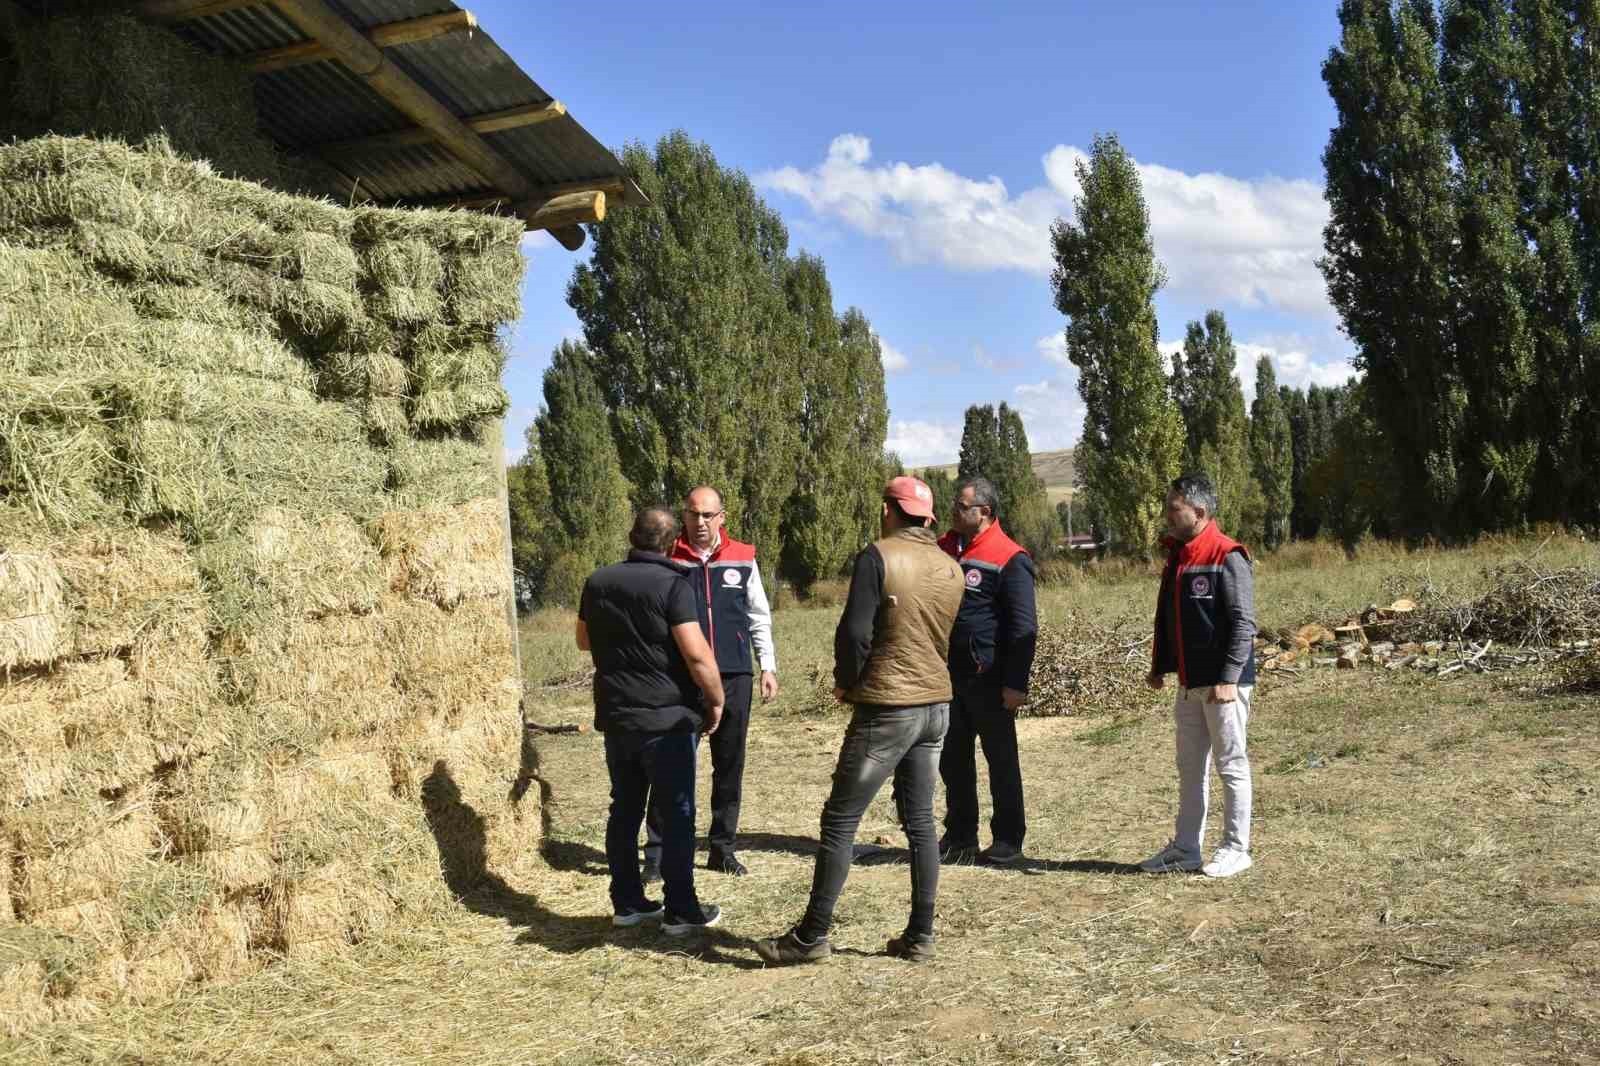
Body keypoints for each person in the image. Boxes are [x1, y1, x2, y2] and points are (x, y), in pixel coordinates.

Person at [754, 476, 965, 966]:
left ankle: (811, 937)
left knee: (841, 820)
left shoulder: (878, 556)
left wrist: (847, 682)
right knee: (920, 824)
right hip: (936, 705)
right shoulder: (951, 568)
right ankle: (920, 936)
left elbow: (854, 633)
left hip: (888, 706)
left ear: (890, 509)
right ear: (928, 517)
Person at [576, 506, 727, 934]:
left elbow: (583, 641)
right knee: (676, 812)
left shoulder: (598, 581)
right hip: (666, 720)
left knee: (623, 810)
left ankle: (626, 903)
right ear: (671, 540)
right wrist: (715, 701)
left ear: (632, 535)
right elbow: (696, 654)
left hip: (619, 715)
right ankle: (681, 909)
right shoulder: (674, 584)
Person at [641, 485, 777, 880]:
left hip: (734, 675)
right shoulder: (670, 558)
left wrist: (767, 665)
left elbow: (758, 615)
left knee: (729, 765)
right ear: (683, 517)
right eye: (692, 514)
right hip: (681, 679)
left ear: (722, 517)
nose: (699, 522)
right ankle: (657, 855)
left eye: (707, 515)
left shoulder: (743, 557)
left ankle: (722, 848)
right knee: (670, 764)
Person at [1140, 473, 1258, 879]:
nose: (1167, 517)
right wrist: (1160, 667)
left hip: (1225, 685)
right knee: (1190, 767)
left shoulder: (1228, 555)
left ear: (1200, 511)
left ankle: (1235, 848)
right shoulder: (1178, 555)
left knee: (1231, 764)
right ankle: (1186, 848)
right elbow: (1169, 617)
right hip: (1189, 684)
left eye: (1175, 509)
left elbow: (1244, 622)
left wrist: (1228, 678)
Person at [936, 477, 1038, 866]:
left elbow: (1023, 627)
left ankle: (1008, 840)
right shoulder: (945, 548)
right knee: (952, 758)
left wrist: (1016, 684)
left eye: (962, 506)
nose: (954, 511)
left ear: (985, 512)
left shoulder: (1010, 556)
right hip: (948, 676)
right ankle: (960, 836)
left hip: (991, 679)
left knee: (1001, 760)